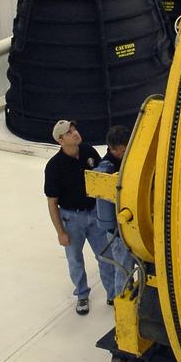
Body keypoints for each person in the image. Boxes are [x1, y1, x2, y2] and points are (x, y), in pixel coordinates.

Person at [44, 119, 115, 315]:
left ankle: (113, 293)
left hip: (95, 213)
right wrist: (60, 232)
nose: (75, 133)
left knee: (106, 255)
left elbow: (102, 178)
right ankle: (82, 294)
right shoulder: (54, 167)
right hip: (71, 219)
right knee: (75, 258)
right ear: (60, 141)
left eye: (74, 129)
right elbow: (52, 202)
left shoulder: (88, 152)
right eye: (69, 133)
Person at [95, 125, 134, 298]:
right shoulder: (106, 168)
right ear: (112, 149)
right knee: (123, 271)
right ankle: (121, 300)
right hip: (118, 233)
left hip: (132, 226)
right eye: (122, 150)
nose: (125, 153)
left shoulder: (130, 158)